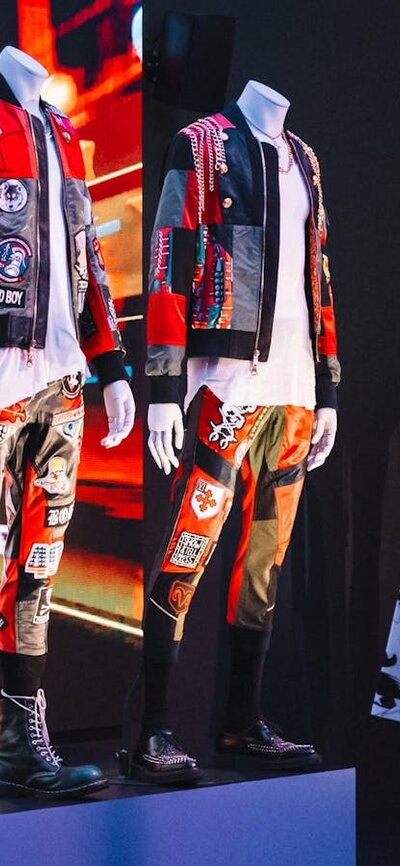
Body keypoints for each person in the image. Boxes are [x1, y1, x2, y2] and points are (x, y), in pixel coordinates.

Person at [133, 80, 340, 784]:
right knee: (189, 547)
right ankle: (152, 729)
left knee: (263, 563)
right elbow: (168, 258)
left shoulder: (306, 159)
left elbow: (319, 274)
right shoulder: (199, 147)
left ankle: (241, 721)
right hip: (228, 383)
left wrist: (328, 389)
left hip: (295, 393)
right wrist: (165, 385)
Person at [0, 46, 135, 799]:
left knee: (39, 566)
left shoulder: (60, 131)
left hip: (59, 382)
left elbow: (89, 256)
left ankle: (21, 741)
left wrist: (111, 365)